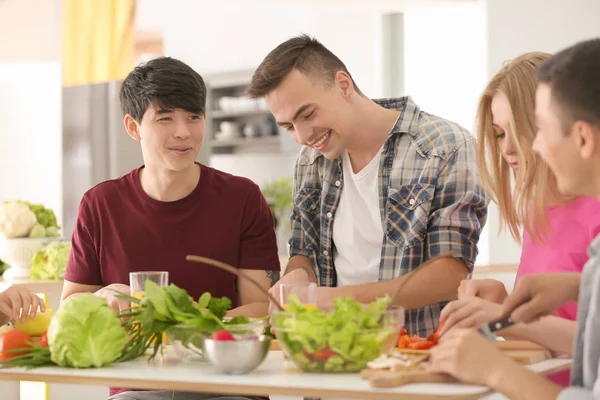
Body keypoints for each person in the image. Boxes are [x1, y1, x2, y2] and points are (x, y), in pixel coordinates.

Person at [60, 57, 280, 400]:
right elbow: (71, 305)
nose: (184, 132)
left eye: (194, 117)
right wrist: (104, 297)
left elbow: (262, 310)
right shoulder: (100, 204)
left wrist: (190, 328)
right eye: (166, 119)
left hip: (228, 382)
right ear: (134, 128)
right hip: (137, 387)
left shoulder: (243, 197)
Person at [246, 34, 488, 336]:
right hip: (335, 352)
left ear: (343, 85)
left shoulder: (445, 146)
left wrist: (337, 300)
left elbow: (450, 274)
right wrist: (297, 275)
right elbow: (304, 252)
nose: (302, 135)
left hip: (424, 352)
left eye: (307, 114)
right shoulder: (310, 162)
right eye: (288, 126)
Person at [429, 37, 600, 400]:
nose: (508, 148)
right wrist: (506, 305)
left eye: (527, 128)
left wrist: (504, 322)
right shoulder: (535, 211)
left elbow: (589, 346)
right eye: (498, 134)